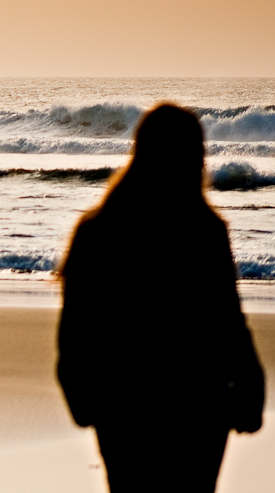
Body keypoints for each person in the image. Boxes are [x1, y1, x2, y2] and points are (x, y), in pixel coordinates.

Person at [56, 104, 265, 492]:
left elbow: (75, 330)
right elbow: (229, 323)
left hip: (122, 406)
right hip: (198, 406)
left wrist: (82, 399)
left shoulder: (97, 230)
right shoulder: (204, 231)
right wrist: (250, 390)